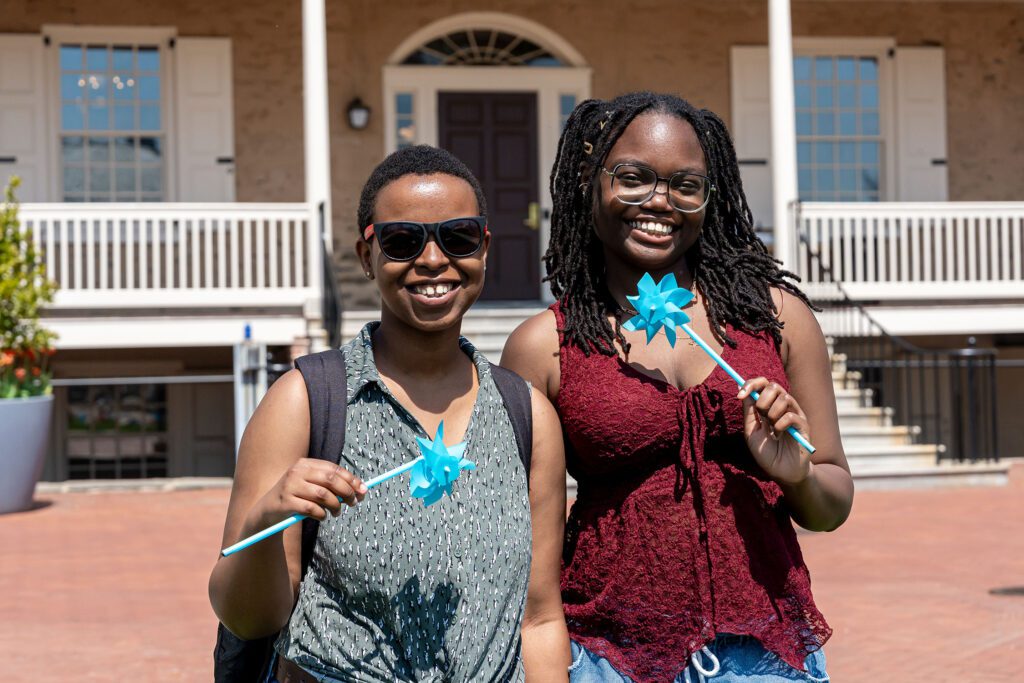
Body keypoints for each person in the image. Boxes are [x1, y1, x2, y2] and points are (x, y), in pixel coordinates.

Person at [501, 92, 853, 682]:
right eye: (633, 178)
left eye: (685, 185)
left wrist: (795, 475)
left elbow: (831, 507)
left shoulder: (777, 320)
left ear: (708, 200)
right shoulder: (544, 345)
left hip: (764, 657)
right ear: (591, 182)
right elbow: (518, 540)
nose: (659, 202)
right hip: (606, 657)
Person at [210, 145, 571, 682]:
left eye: (459, 237)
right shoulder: (307, 399)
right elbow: (248, 615)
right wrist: (266, 520)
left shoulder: (527, 414)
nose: (432, 259)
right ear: (366, 255)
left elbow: (539, 619)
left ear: (484, 248)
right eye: (403, 241)